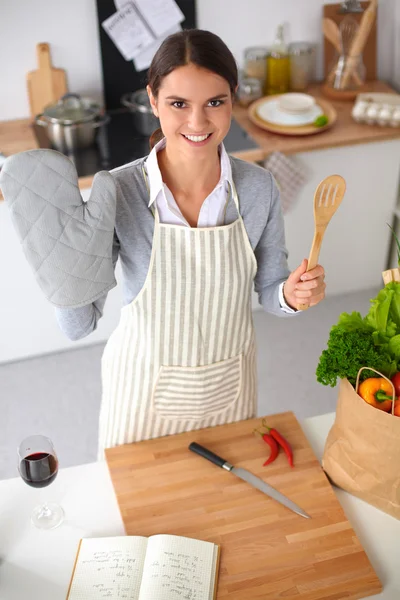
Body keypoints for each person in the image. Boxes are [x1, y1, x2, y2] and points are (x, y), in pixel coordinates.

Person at [55, 29, 325, 455]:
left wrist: (292, 295)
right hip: (142, 392)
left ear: (233, 98)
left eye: (214, 102)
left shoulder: (258, 188)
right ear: (152, 100)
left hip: (228, 390)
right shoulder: (119, 191)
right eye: (179, 104)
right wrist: (58, 254)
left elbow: (272, 293)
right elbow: (78, 325)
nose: (198, 123)